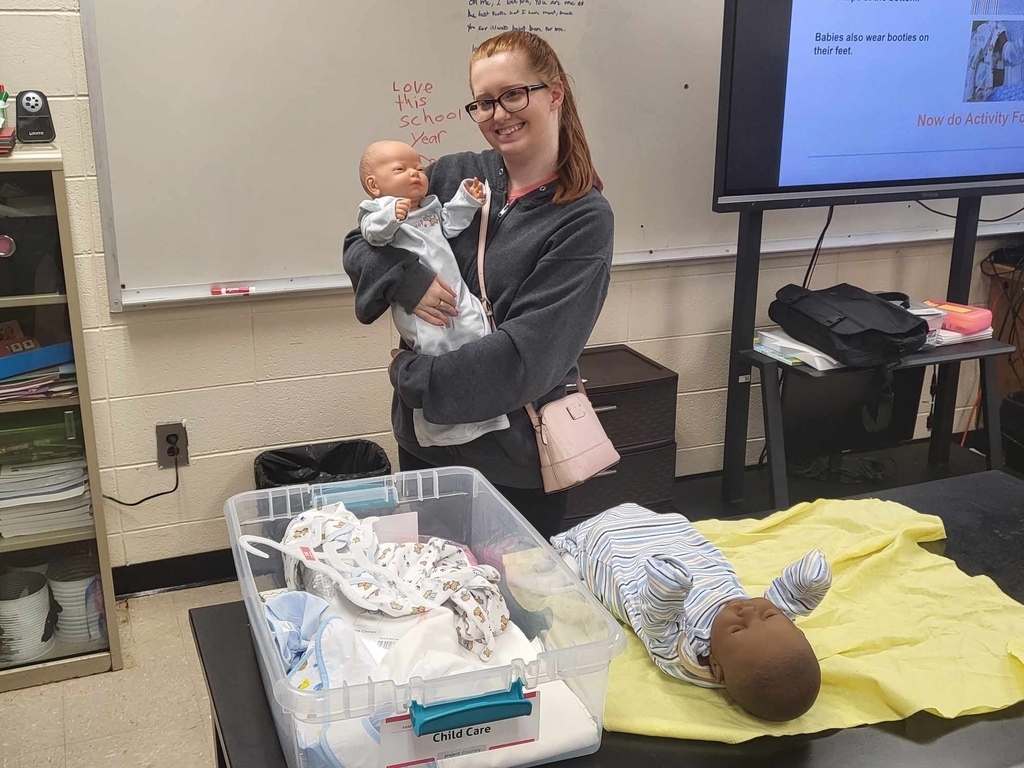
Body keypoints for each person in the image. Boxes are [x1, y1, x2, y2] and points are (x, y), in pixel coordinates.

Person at [343, 31, 614, 539]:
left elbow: (524, 361)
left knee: (515, 606)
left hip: (513, 465)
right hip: (427, 446)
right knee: (431, 598)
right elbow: (358, 244)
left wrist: (412, 378)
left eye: (514, 94)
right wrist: (407, 278)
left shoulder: (582, 218)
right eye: (484, 102)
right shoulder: (453, 174)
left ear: (554, 93)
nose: (498, 113)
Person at [552, 504, 832, 722]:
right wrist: (805, 584)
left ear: (717, 670)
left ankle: (571, 561)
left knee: (576, 574)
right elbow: (786, 601)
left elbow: (657, 624)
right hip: (667, 535)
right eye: (769, 616)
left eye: (737, 629)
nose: (746, 610)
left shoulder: (686, 654)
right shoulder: (763, 642)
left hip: (614, 553)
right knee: (674, 534)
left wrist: (667, 591)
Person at [356, 139, 510, 448]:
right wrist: (392, 216)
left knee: (475, 334)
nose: (415, 173)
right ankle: (438, 429)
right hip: (420, 309)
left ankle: (488, 416)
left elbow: (450, 224)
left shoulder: (428, 206)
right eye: (401, 169)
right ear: (374, 185)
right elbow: (370, 235)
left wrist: (467, 199)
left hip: (456, 292)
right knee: (436, 348)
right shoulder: (378, 209)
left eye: (418, 167)